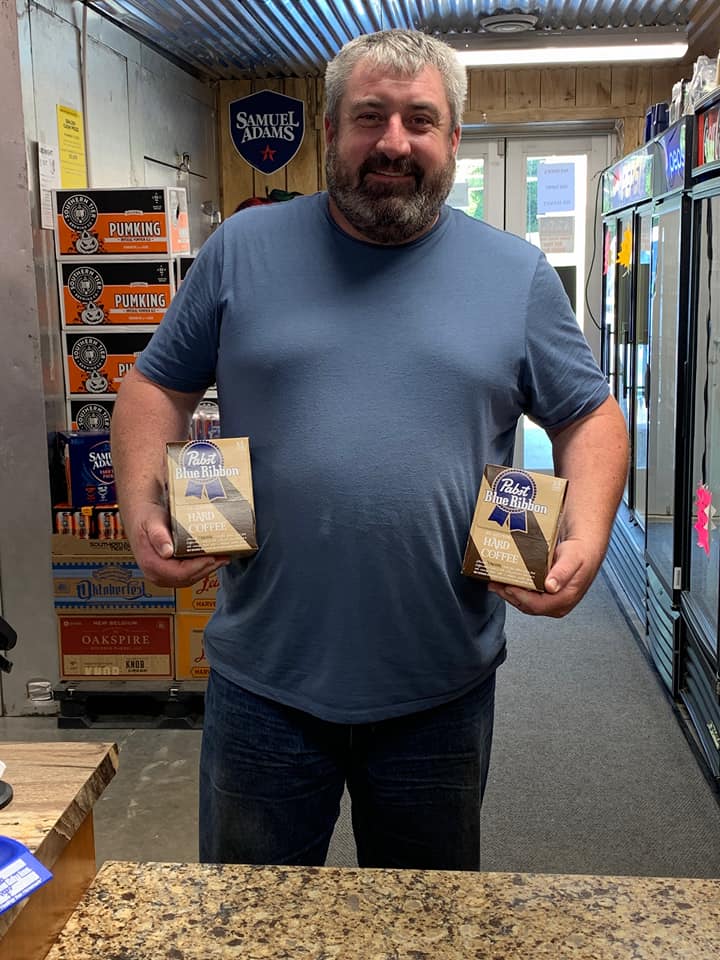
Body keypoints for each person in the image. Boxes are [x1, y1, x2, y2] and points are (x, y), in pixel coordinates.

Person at [111, 28, 629, 871]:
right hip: (264, 680)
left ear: (453, 138)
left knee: (425, 921)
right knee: (252, 918)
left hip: (439, 685)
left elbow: (590, 416)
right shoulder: (242, 250)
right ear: (329, 131)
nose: (394, 142)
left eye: (419, 120)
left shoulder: (516, 274)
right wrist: (141, 505)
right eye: (369, 116)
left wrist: (589, 537)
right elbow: (152, 387)